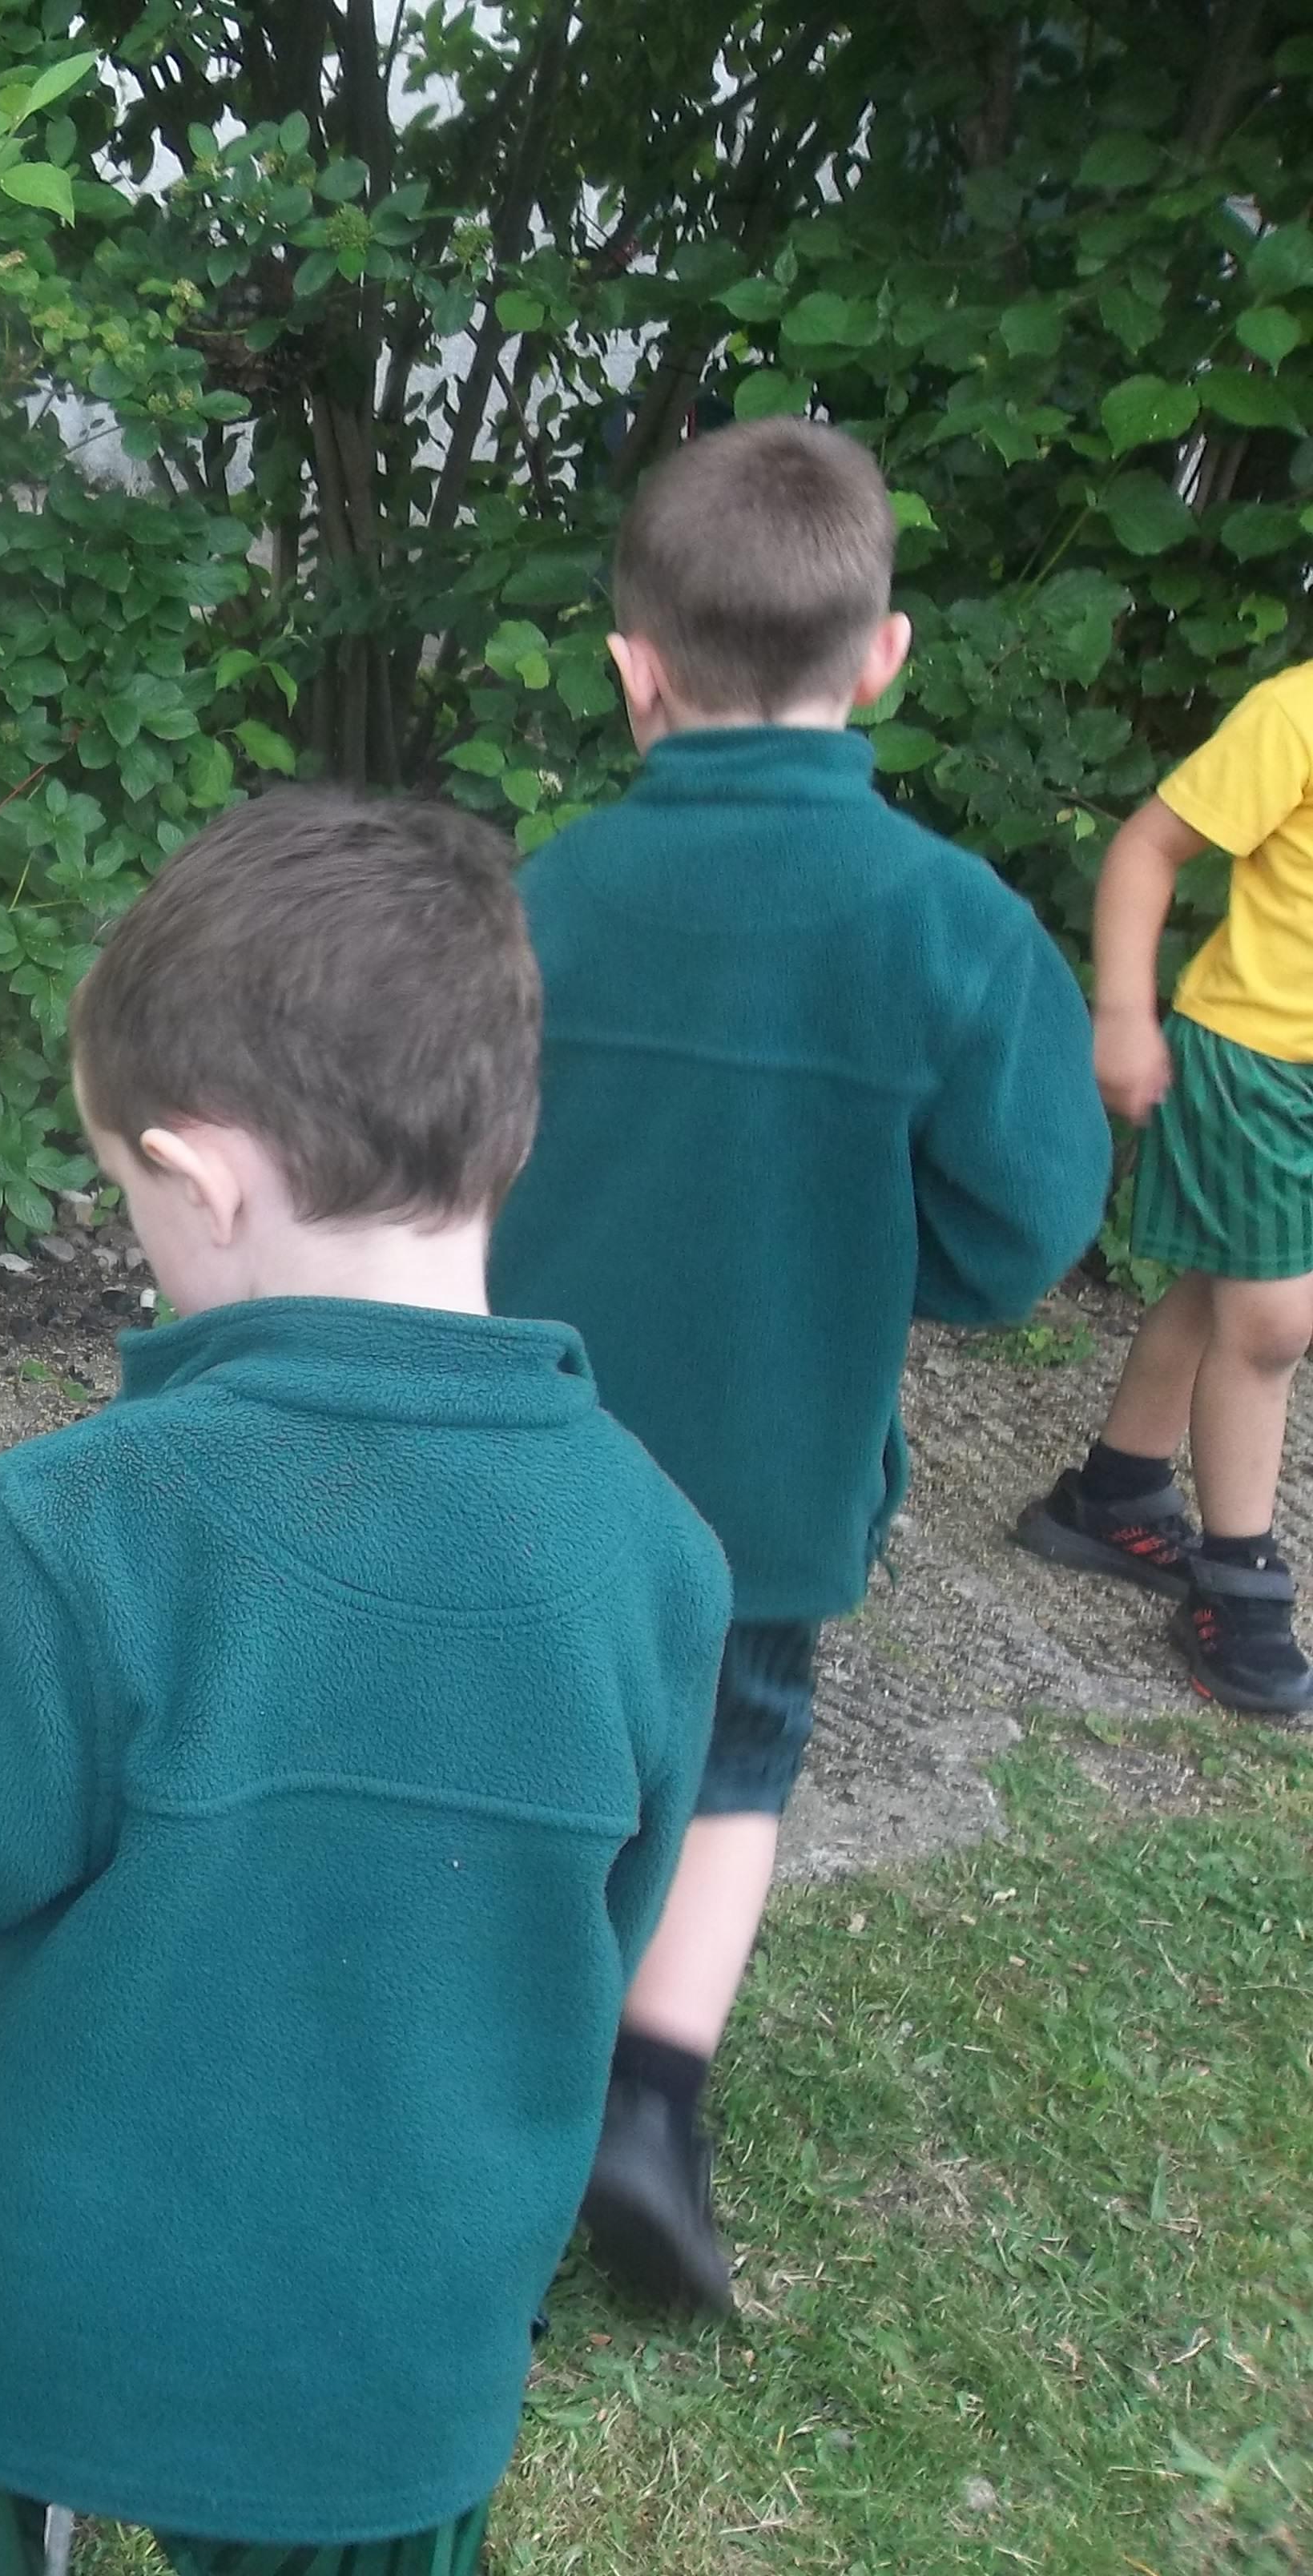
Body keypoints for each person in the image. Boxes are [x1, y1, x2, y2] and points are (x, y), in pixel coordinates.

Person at [0, 793, 728, 2576]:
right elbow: (601, 1931)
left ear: (203, 1176)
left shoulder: (91, 1520)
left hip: (31, 2304)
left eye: (126, 1193)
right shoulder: (659, 1554)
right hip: (391, 2366)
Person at [489, 417, 1106, 2315]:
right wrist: (878, 1258)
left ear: (630, 671)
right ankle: (646, 2096)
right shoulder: (954, 924)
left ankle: (469, 2056)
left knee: (521, 1738)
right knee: (733, 1752)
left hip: (523, 1447)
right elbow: (1022, 1234)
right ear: (883, 659)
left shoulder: (537, 896)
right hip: (767, 1475)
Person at [1015, 659, 1313, 1714]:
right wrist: (1123, 1013)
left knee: (1228, 1278)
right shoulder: (1296, 714)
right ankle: (1239, 1586)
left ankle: (1116, 1492)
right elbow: (1148, 846)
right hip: (1255, 1064)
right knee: (1272, 1322)